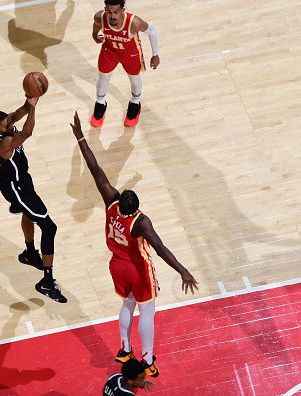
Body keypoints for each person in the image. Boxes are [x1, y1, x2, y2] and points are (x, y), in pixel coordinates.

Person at [70, 112, 198, 377]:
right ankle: (148, 359)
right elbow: (160, 249)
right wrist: (182, 270)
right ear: (136, 207)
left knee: (127, 304)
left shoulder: (111, 203)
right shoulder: (141, 223)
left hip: (116, 265)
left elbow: (96, 171)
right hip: (137, 268)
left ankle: (125, 349)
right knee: (147, 310)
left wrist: (80, 137)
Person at [0, 97, 67, 303]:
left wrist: (32, 98)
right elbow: (28, 132)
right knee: (49, 227)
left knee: (28, 215)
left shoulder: (6, 125)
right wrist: (32, 111)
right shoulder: (4, 142)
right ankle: (47, 282)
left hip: (22, 180)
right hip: (16, 188)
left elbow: (20, 111)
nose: (10, 124)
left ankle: (30, 253)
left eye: (9, 121)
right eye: (6, 124)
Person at [90, 0, 160, 128]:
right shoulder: (100, 17)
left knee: (134, 80)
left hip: (130, 54)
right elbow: (96, 24)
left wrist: (155, 55)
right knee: (103, 79)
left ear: (123, 10)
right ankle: (100, 103)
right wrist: (94, 35)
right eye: (109, 12)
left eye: (116, 12)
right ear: (105, 9)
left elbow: (152, 31)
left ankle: (135, 102)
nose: (112, 16)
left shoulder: (134, 22)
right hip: (110, 51)